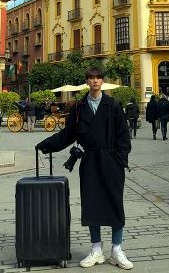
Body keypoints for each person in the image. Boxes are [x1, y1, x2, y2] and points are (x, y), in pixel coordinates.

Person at [36, 67, 133, 270]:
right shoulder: (79, 108)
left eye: (98, 77)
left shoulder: (113, 105)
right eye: (91, 78)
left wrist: (119, 159)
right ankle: (96, 250)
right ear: (87, 82)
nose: (95, 81)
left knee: (116, 203)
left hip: (111, 162)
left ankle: (117, 250)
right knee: (92, 205)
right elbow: (67, 134)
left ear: (102, 81)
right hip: (89, 162)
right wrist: (46, 144)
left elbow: (124, 136)